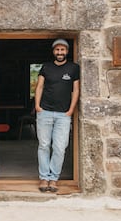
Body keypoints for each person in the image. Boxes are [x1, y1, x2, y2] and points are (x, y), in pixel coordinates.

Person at [35, 39, 80, 193]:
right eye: (57, 50)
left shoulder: (73, 68)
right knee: (44, 145)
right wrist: (37, 106)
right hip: (45, 112)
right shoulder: (46, 67)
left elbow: (76, 90)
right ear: (53, 51)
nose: (60, 53)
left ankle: (54, 178)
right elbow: (39, 86)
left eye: (62, 50)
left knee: (60, 147)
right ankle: (44, 177)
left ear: (67, 51)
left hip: (63, 114)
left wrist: (71, 110)